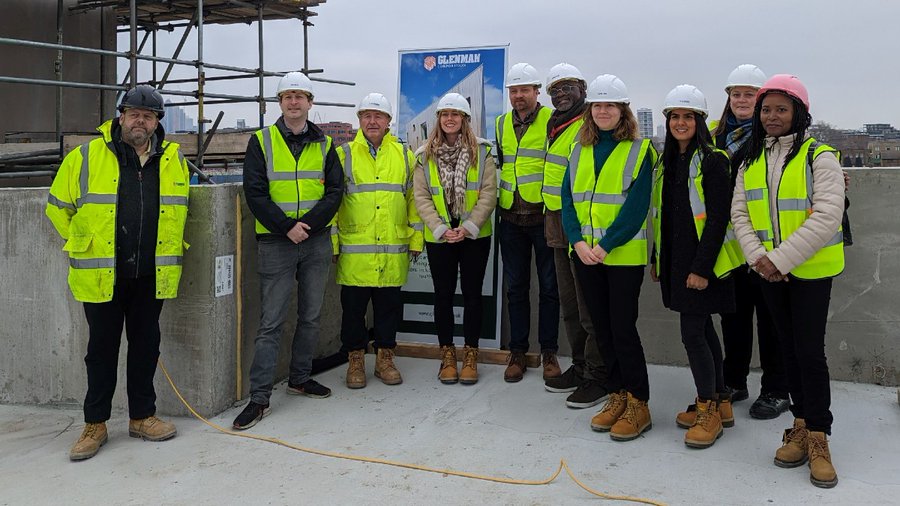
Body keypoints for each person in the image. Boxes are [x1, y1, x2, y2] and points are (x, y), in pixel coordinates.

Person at [46, 85, 190, 461]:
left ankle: (142, 416)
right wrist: (84, 241)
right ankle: (95, 424)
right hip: (102, 273)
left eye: (148, 115)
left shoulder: (172, 161)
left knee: (146, 346)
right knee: (101, 350)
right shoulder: (87, 156)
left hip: (150, 273)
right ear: (121, 116)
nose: (140, 120)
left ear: (158, 121)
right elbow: (57, 207)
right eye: (134, 113)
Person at [731, 74, 844, 488]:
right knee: (788, 351)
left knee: (810, 354)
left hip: (810, 273)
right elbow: (739, 214)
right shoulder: (750, 159)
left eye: (782, 108)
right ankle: (799, 423)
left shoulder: (820, 155)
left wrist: (779, 260)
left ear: (799, 111)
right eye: (766, 109)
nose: (772, 116)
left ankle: (819, 436)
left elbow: (827, 214)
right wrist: (760, 261)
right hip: (769, 274)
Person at [234, 72, 342, 430]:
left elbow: (334, 193)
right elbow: (256, 192)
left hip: (314, 241)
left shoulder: (325, 145)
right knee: (271, 323)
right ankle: (260, 398)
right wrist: (287, 227)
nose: (294, 103)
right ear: (279, 103)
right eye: (287, 97)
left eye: (300, 96)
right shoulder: (261, 141)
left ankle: (299, 378)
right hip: (276, 241)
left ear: (310, 103)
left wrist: (306, 226)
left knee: (310, 317)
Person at [562, 74, 656, 441]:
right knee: (601, 329)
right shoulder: (577, 148)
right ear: (590, 111)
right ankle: (617, 394)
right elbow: (567, 200)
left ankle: (639, 402)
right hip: (584, 255)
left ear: (623, 110)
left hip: (621, 257)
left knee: (623, 329)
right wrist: (578, 241)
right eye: (597, 106)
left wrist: (605, 245)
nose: (603, 111)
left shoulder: (640, 149)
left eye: (610, 105)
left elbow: (636, 206)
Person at [651, 85, 743, 449]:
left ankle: (707, 409)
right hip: (677, 262)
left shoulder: (713, 160)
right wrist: (659, 260)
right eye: (675, 116)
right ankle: (720, 401)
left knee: (692, 334)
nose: (680, 122)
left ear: (701, 121)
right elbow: (664, 218)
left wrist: (702, 268)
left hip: (703, 264)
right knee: (702, 330)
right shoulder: (669, 161)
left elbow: (718, 219)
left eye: (688, 116)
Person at [712, 64, 790, 420]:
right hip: (731, 245)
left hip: (767, 245)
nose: (741, 100)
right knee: (734, 318)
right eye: (736, 94)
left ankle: (776, 389)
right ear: (728, 98)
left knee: (772, 321)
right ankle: (734, 380)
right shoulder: (714, 138)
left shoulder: (776, 137)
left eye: (749, 95)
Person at [336, 93, 422, 389]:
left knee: (389, 309)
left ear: (388, 122)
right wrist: (334, 246)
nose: (372, 121)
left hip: (392, 248)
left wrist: (416, 239)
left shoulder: (404, 155)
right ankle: (356, 361)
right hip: (355, 250)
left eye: (378, 116)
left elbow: (414, 200)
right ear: (359, 120)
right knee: (353, 312)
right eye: (366, 116)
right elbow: (333, 203)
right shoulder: (343, 154)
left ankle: (385, 358)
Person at [413, 93, 496, 384]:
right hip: (440, 238)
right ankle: (447, 355)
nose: (450, 119)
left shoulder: (482, 152)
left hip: (473, 236)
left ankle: (470, 354)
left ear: (465, 119)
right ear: (438, 119)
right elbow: (421, 196)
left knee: (473, 296)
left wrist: (470, 226)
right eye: (445, 114)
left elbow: (488, 193)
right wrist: (440, 228)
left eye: (456, 114)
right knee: (443, 296)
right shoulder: (424, 154)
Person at [540, 63, 608, 408]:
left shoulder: (590, 123)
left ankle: (599, 374)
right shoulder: (553, 125)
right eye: (555, 90)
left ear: (583, 88)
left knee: (589, 306)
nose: (561, 94)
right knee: (569, 304)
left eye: (567, 87)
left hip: (583, 227)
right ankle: (580, 367)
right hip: (556, 224)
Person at [495, 62, 561, 383]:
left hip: (543, 217)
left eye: (525, 90)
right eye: (514, 91)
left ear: (537, 92)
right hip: (510, 217)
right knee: (515, 288)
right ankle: (518, 351)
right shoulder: (500, 123)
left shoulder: (552, 120)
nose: (519, 96)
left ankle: (549, 351)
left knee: (550, 287)